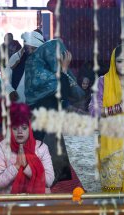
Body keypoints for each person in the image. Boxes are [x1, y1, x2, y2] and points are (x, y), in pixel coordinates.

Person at [24, 37, 85, 185]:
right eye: (58, 58)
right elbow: (62, 92)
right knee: (40, 151)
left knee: (53, 152)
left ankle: (50, 177)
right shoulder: (35, 68)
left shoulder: (54, 69)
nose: (60, 62)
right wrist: (63, 72)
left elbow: (77, 94)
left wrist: (63, 72)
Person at [89, 44, 124, 193]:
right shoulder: (103, 81)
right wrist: (116, 108)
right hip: (111, 137)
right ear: (114, 62)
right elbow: (93, 109)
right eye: (120, 61)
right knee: (112, 185)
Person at [0, 103, 55, 193]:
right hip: (10, 200)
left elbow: (49, 181)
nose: (20, 132)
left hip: (37, 199)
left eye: (24, 128)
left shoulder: (41, 148)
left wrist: (27, 167)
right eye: (15, 128)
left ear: (30, 129)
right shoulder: (2, 148)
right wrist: (16, 166)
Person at [5, 31, 45, 103]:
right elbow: (5, 77)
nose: (32, 51)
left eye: (35, 49)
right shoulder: (16, 58)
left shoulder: (43, 61)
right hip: (16, 103)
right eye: (30, 48)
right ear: (25, 47)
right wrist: (9, 90)